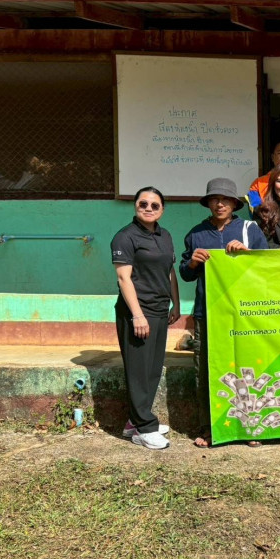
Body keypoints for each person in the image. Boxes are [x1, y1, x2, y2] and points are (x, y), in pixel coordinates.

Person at [180, 178, 269, 448]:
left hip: (242, 312)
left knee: (247, 367)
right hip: (207, 312)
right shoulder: (196, 234)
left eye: (225, 199)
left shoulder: (249, 229)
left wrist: (246, 253)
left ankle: (250, 426)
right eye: (214, 199)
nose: (220, 204)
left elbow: (265, 267)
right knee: (206, 370)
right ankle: (209, 428)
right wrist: (192, 263)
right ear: (208, 203)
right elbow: (185, 274)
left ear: (234, 204)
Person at [111, 186, 180, 450]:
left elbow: (170, 271)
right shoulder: (125, 237)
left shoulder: (165, 235)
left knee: (152, 369)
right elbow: (123, 278)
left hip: (160, 310)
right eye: (143, 204)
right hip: (138, 312)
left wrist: (176, 302)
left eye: (154, 205)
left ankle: (134, 422)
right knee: (139, 372)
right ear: (135, 206)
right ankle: (145, 428)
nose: (149, 209)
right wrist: (137, 315)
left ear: (162, 209)